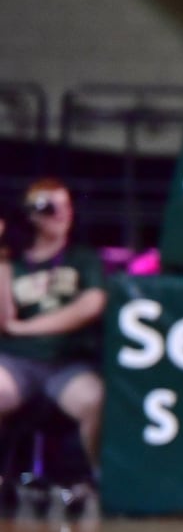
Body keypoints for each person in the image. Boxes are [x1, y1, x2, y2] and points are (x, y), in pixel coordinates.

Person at [0, 179, 107, 485]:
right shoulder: (15, 261)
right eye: (49, 207)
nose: (60, 214)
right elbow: (3, 319)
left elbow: (91, 305)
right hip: (17, 360)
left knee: (95, 399)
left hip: (68, 361)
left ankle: (99, 480)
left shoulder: (82, 258)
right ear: (31, 214)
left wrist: (26, 327)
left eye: (66, 206)